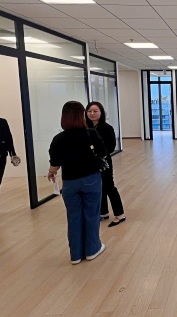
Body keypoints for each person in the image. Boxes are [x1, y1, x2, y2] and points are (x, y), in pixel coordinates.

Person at [48, 101, 107, 265]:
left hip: (70, 182)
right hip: (91, 179)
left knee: (73, 217)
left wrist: (52, 172)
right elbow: (103, 152)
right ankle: (92, 249)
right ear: (81, 115)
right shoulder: (91, 134)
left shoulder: (59, 139)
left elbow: (55, 161)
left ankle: (75, 254)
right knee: (91, 215)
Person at [85, 101, 126, 227]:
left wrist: (99, 153)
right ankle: (103, 212)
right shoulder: (85, 128)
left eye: (95, 111)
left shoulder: (107, 128)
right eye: (89, 111)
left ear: (101, 112)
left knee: (109, 186)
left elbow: (111, 146)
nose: (92, 113)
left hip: (103, 161)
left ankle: (120, 214)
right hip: (90, 162)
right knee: (98, 187)